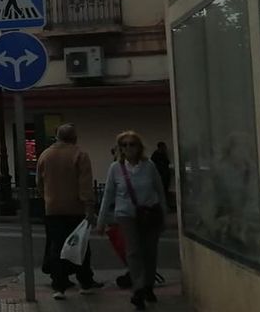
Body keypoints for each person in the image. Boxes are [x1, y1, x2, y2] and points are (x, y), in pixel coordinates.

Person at [97, 130, 170, 310]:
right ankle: (138, 289)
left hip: (150, 213)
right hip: (126, 215)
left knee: (149, 251)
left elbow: (160, 190)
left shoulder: (149, 166)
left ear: (139, 147)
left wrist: (165, 215)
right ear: (120, 148)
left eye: (132, 144)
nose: (128, 148)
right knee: (133, 251)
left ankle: (148, 285)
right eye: (124, 145)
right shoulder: (115, 168)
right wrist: (101, 219)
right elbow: (108, 195)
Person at [36, 123, 101, 299]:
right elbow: (85, 184)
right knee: (81, 246)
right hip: (76, 209)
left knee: (56, 247)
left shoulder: (45, 155)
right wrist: (89, 207)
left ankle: (59, 285)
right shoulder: (80, 155)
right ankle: (85, 282)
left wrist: (48, 198)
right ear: (74, 137)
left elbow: (39, 184)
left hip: (53, 208)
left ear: (57, 137)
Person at [151, 142, 174, 208]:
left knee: (165, 191)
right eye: (164, 147)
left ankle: (165, 205)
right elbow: (154, 166)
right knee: (161, 192)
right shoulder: (155, 155)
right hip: (160, 176)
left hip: (165, 176)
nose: (165, 148)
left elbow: (167, 163)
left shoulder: (163, 154)